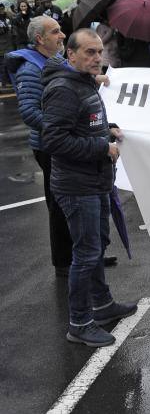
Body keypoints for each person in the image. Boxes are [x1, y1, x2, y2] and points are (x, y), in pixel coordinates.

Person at [41, 28, 137, 347]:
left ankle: (103, 304)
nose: (97, 58)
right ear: (71, 55)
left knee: (96, 246)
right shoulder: (63, 88)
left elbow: (86, 125)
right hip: (76, 186)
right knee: (85, 253)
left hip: (95, 181)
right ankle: (79, 322)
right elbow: (54, 140)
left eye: (99, 52)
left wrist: (107, 130)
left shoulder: (84, 83)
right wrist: (101, 148)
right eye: (89, 52)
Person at [6, 16, 74, 276]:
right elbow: (29, 112)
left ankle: (83, 255)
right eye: (55, 32)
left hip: (61, 142)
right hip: (50, 146)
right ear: (39, 39)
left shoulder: (53, 61)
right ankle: (64, 264)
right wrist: (63, 129)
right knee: (58, 204)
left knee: (73, 201)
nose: (62, 36)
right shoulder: (30, 69)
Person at [0, 4, 13, 87]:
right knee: (2, 63)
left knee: (9, 62)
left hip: (9, 43)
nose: (1, 10)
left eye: (2, 8)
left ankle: (9, 80)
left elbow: (12, 26)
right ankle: (3, 81)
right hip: (1, 43)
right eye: (0, 9)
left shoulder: (8, 16)